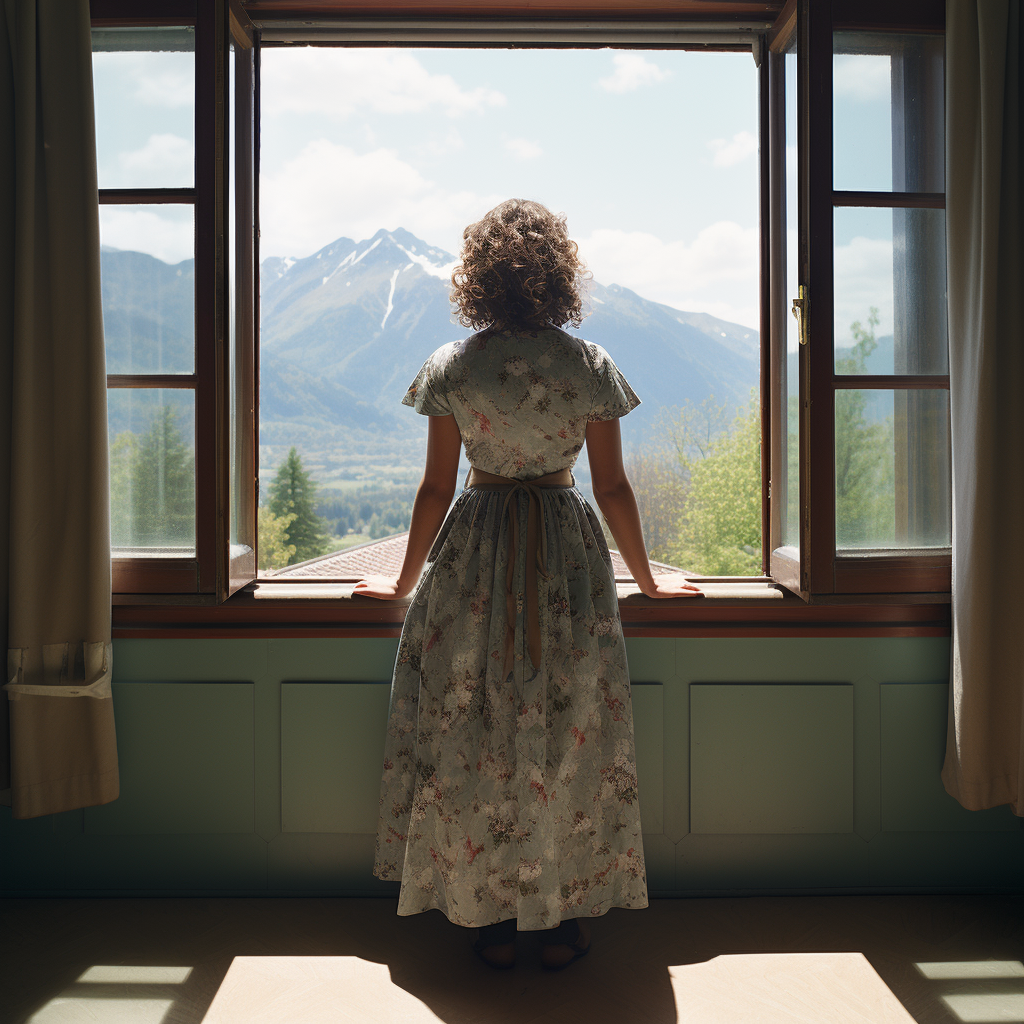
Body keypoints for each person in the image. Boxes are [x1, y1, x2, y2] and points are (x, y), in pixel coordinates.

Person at [355, 198, 702, 971]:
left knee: (472, 733)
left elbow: (434, 491)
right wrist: (646, 579)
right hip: (563, 560)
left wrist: (403, 585)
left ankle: (486, 912)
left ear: (476, 279)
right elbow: (612, 489)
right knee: (568, 732)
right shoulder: (588, 366)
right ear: (559, 277)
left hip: (474, 555)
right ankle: (560, 914)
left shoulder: (454, 367)